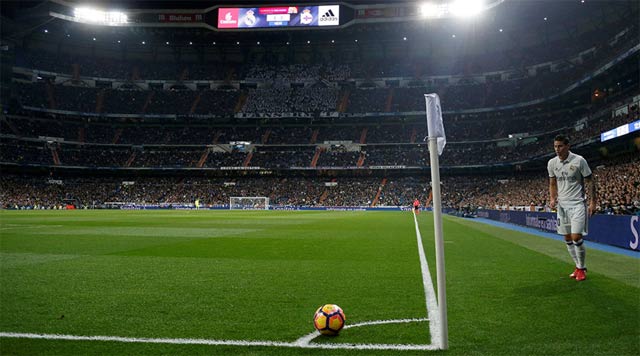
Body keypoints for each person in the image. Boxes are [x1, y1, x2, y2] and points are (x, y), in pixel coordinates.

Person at [547, 135, 596, 281]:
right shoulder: (552, 163)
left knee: (576, 236)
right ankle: (577, 266)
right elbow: (552, 183)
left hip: (577, 204)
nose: (557, 149)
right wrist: (552, 198)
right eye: (555, 146)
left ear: (568, 146)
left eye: (560, 146)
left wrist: (593, 202)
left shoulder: (579, 161)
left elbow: (590, 182)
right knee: (567, 238)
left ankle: (581, 268)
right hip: (562, 205)